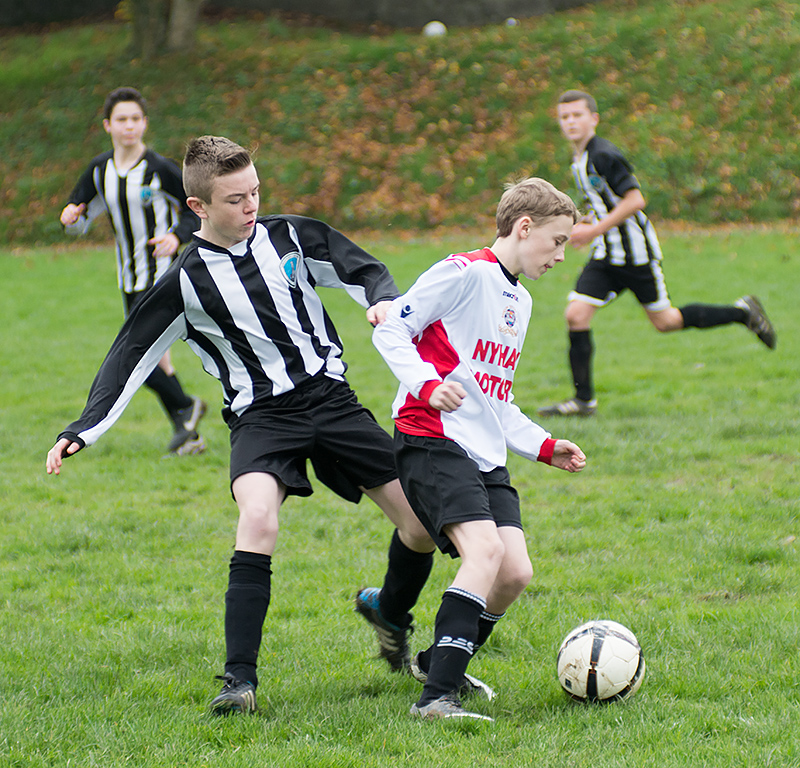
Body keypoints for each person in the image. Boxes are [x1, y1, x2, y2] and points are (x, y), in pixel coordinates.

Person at [46, 135, 436, 715]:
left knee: (422, 525)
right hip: (261, 417)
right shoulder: (184, 281)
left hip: (332, 400)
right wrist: (86, 426)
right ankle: (239, 682)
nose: (251, 206)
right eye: (235, 199)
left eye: (255, 191)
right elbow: (129, 354)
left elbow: (365, 270)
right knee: (257, 519)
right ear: (198, 207)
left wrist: (382, 300)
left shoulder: (290, 236)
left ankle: (388, 612)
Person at [369, 178, 587, 721]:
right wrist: (426, 384)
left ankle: (438, 660)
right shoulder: (463, 273)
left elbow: (497, 399)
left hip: (485, 452)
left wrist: (543, 444)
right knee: (484, 554)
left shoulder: (522, 300)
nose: (561, 256)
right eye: (557, 241)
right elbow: (391, 331)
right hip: (431, 435)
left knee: (513, 573)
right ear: (524, 227)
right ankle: (437, 697)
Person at [538, 89, 776, 418]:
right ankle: (584, 401)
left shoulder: (604, 155)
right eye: (564, 117)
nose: (571, 122)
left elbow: (635, 200)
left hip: (636, 256)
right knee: (575, 315)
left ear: (594, 118)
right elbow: (606, 203)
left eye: (577, 115)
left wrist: (593, 230)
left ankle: (743, 313)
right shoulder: (580, 159)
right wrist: (585, 224)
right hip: (607, 256)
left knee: (665, 322)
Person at [60, 86, 206, 454]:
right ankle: (187, 426)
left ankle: (186, 409)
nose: (129, 126)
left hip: (161, 275)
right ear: (108, 125)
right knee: (155, 356)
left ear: (145, 123)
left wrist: (176, 237)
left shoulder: (160, 169)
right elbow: (79, 216)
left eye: (136, 119)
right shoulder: (99, 170)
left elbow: (194, 210)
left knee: (137, 355)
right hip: (128, 276)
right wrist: (70, 218)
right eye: (122, 120)